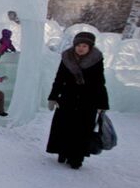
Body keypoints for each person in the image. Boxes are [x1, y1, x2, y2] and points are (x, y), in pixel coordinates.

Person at [46, 31, 109, 170]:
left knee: (82, 130)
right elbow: (59, 79)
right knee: (64, 127)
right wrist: (53, 97)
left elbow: (100, 82)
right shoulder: (67, 58)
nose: (81, 48)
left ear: (90, 47)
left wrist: (102, 104)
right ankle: (62, 152)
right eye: (79, 45)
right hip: (68, 99)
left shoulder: (96, 59)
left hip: (88, 101)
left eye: (84, 46)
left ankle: (76, 158)